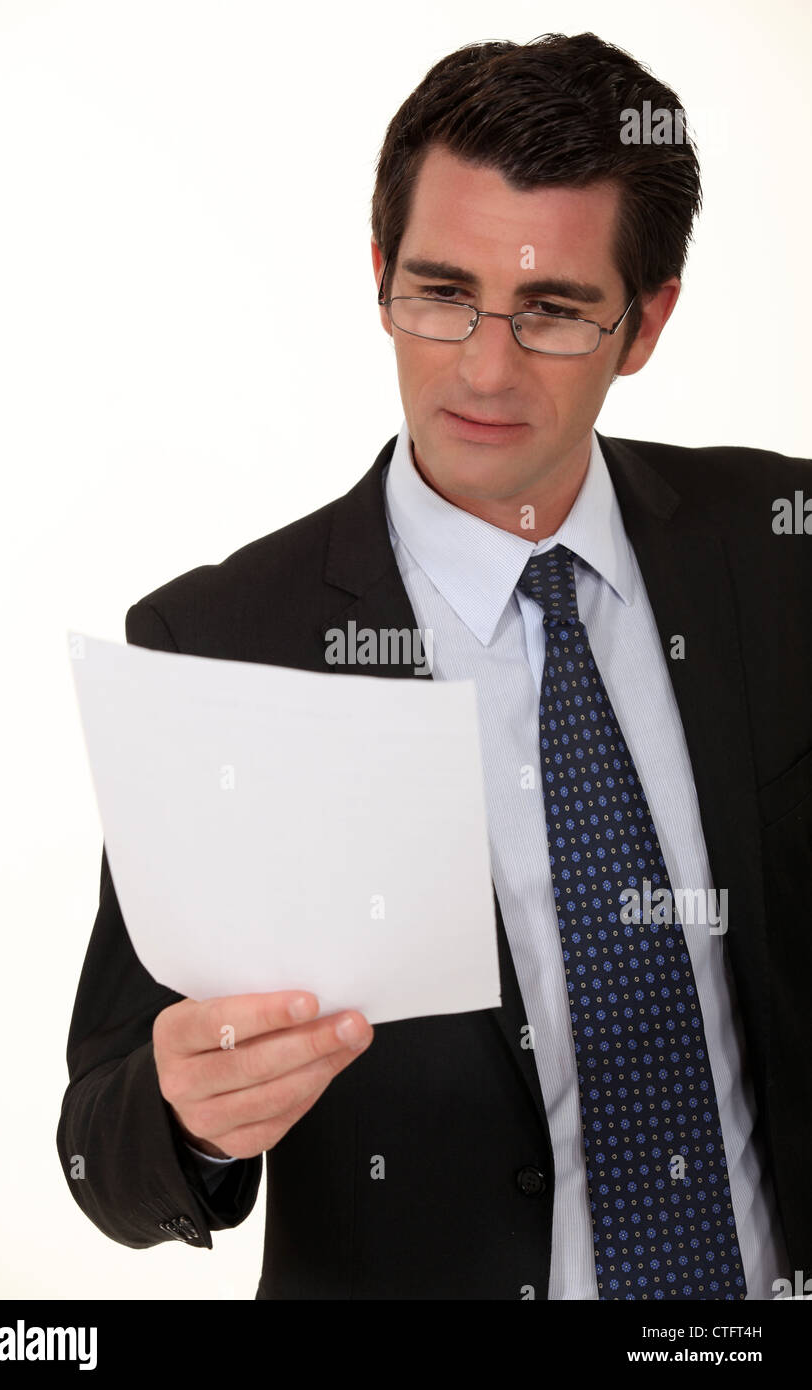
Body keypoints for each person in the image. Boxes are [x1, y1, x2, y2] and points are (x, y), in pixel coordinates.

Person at [57, 32, 812, 1299]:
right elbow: (99, 1140)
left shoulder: (782, 548)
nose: (481, 366)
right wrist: (186, 1116)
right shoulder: (226, 644)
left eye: (555, 310)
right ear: (377, 274)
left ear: (647, 321)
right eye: (440, 291)